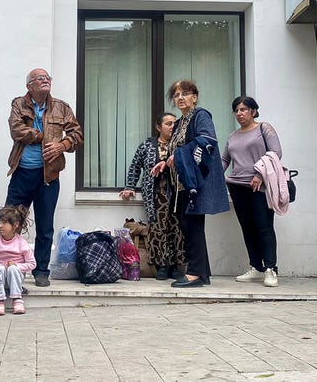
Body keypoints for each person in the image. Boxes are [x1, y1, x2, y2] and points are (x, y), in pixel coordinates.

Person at [5, 68, 83, 287]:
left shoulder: (62, 107)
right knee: (10, 221)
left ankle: (41, 270)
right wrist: (43, 137)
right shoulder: (19, 104)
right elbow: (16, 130)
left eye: (48, 78)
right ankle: (7, 266)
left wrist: (62, 145)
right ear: (29, 85)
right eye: (40, 78)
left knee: (45, 226)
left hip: (48, 177)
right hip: (22, 173)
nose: (46, 80)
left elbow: (77, 135)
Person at [151, 80, 229, 288]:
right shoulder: (178, 123)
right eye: (176, 95)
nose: (181, 98)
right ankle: (202, 273)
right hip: (180, 184)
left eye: (185, 93)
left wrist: (178, 155)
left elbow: (207, 141)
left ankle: (194, 273)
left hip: (196, 182)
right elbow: (174, 150)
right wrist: (163, 163)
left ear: (194, 97)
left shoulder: (200, 115)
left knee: (193, 226)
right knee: (189, 227)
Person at [222, 96, 282, 287]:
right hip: (237, 187)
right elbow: (224, 161)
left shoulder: (264, 128)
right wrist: (216, 177)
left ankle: (271, 269)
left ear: (253, 111)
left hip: (260, 186)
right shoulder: (232, 136)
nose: (239, 113)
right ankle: (256, 267)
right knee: (247, 228)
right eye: (236, 111)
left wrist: (259, 174)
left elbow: (275, 152)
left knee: (264, 227)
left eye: (243, 109)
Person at [120, 113, 185, 280]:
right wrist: (129, 186)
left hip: (177, 193)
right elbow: (135, 166)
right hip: (156, 194)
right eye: (168, 124)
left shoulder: (180, 145)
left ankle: (176, 265)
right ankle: (162, 265)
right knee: (158, 229)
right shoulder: (147, 146)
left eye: (174, 124)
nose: (172, 127)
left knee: (177, 228)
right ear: (158, 127)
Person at [0, 205, 37, 316]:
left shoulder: (21, 243)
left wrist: (17, 265)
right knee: (0, 268)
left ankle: (17, 299)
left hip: (15, 277)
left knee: (12, 269)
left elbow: (32, 263)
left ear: (15, 225)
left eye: (4, 223)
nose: (0, 226)